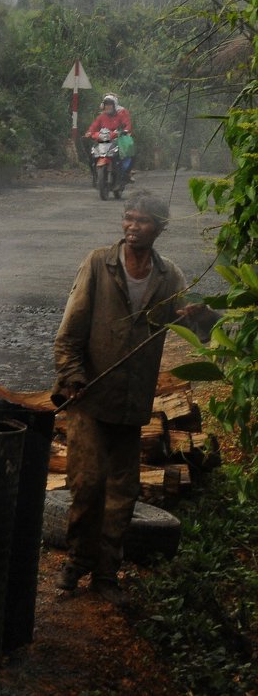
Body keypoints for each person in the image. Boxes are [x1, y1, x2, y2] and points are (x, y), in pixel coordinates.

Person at [51, 194, 214, 603]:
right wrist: (71, 376)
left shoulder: (169, 276)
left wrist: (201, 314)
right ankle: (77, 561)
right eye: (128, 218)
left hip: (131, 403)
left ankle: (106, 575)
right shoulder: (97, 264)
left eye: (143, 221)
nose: (132, 226)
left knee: (122, 494)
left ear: (161, 228)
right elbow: (70, 331)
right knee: (86, 486)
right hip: (90, 397)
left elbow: (188, 326)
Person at [85, 94, 134, 183]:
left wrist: (125, 130)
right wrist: (89, 132)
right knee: (92, 155)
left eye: (110, 105)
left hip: (117, 140)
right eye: (106, 105)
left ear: (114, 105)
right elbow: (94, 126)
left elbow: (127, 124)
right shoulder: (101, 116)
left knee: (128, 152)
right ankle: (95, 176)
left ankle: (125, 173)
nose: (108, 107)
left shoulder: (121, 114)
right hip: (103, 140)